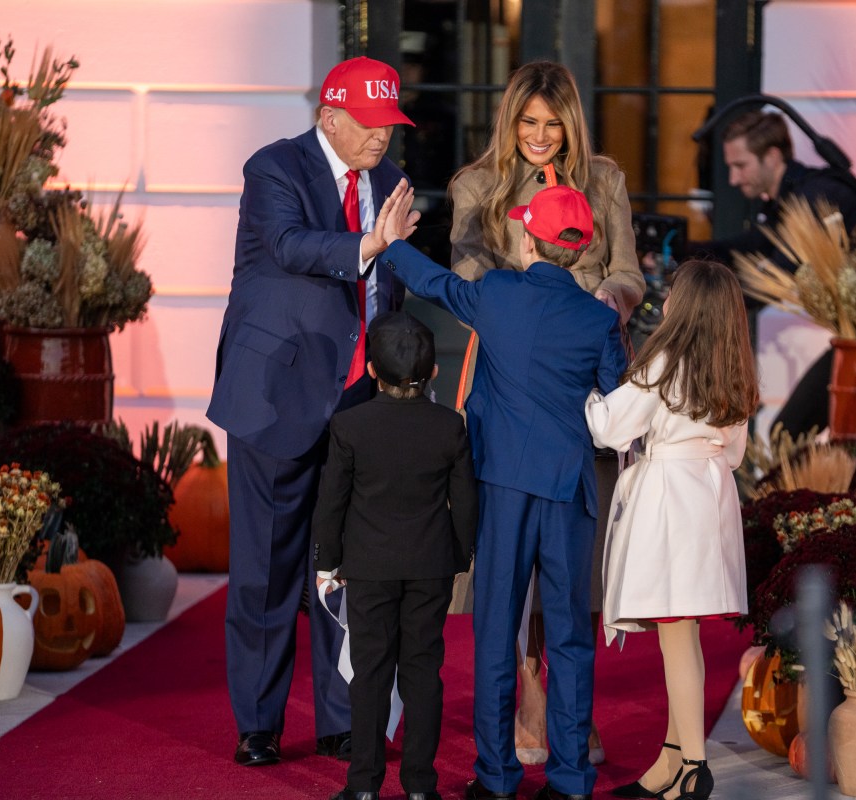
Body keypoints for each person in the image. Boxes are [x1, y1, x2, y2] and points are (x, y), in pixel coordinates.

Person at [377, 179, 627, 800]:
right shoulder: (599, 318)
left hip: (501, 487)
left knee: (495, 630)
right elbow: (614, 403)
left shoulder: (497, 293)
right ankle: (570, 780)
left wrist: (389, 245)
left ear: (530, 240)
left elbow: (435, 285)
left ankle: (496, 778)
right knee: (569, 635)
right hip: (568, 489)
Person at [205, 56, 413, 767]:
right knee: (265, 569)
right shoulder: (273, 169)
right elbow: (293, 246)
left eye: (391, 122)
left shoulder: (385, 182)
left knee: (342, 567)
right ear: (332, 117)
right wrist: (369, 244)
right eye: (373, 122)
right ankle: (259, 724)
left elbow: (392, 288)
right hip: (275, 399)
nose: (383, 137)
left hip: (356, 402)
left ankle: (338, 718)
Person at [448, 60, 645, 767]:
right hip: (508, 377)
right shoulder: (476, 187)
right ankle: (523, 688)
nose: (538, 136)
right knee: (505, 557)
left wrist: (600, 302)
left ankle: (562, 699)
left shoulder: (606, 180)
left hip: (584, 377)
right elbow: (466, 279)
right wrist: (536, 292)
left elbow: (628, 271)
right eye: (526, 123)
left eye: (551, 124)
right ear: (510, 122)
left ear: (570, 123)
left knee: (575, 557)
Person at [584, 259, 759, 800]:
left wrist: (585, 396)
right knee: (680, 636)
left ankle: (693, 768)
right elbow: (733, 454)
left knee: (677, 633)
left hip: (670, 500)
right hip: (710, 496)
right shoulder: (733, 366)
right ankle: (670, 758)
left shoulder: (664, 359)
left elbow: (611, 425)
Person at [313, 310, 478, 800]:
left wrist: (328, 561)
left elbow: (332, 501)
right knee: (423, 671)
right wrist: (457, 557)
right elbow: (465, 502)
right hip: (429, 566)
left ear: (370, 372)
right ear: (433, 373)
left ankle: (363, 785)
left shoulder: (349, 425)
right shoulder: (449, 426)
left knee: (371, 675)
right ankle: (421, 786)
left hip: (367, 568)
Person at [693, 109, 856, 437]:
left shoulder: (815, 198)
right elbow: (753, 245)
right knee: (792, 435)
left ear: (772, 156)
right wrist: (685, 250)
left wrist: (701, 305)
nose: (733, 179)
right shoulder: (796, 197)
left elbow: (777, 277)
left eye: (740, 165)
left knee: (786, 436)